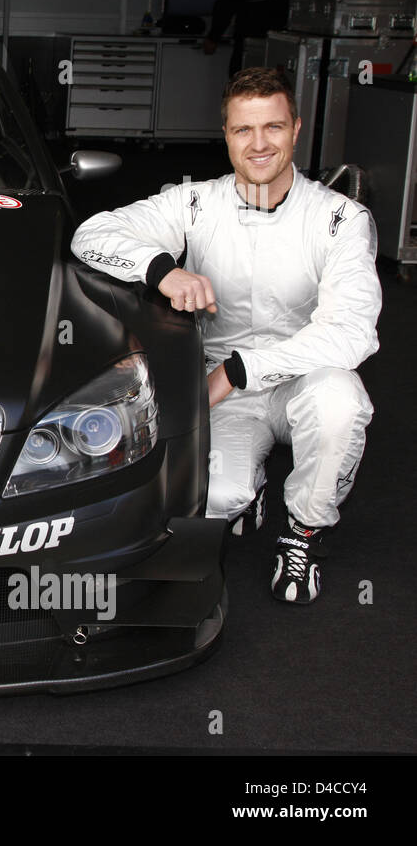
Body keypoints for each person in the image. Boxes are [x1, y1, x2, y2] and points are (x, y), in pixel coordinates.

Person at [70, 67, 381, 604]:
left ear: (296, 129)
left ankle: (305, 530)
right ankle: (248, 491)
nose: (259, 145)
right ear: (227, 136)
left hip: (298, 377)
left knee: (342, 403)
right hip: (228, 391)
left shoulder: (340, 219)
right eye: (243, 130)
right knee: (216, 497)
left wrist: (237, 372)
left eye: (273, 128)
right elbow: (90, 234)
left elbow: (351, 332)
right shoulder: (195, 203)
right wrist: (164, 270)